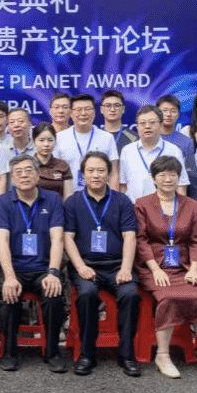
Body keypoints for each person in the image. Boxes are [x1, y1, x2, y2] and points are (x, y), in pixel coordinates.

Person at [134, 156, 197, 378]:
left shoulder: (190, 204)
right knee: (169, 297)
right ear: (154, 178)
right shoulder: (142, 204)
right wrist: (155, 269)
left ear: (179, 177)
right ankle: (162, 355)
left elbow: (196, 240)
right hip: (153, 267)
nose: (168, 179)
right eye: (162, 174)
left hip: (183, 268)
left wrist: (194, 268)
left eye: (172, 174)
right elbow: (141, 240)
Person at [62, 151, 140, 377]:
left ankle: (127, 355)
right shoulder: (73, 202)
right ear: (82, 175)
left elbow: (130, 237)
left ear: (109, 173)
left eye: (100, 170)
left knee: (130, 294)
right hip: (86, 265)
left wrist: (126, 268)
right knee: (86, 294)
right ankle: (87, 354)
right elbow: (67, 238)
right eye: (90, 171)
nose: (95, 175)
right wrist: (80, 267)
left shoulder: (122, 201)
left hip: (117, 265)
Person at [0, 154, 67, 372]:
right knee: (9, 296)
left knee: (54, 295)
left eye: (28, 170)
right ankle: (10, 352)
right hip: (13, 268)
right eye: (18, 172)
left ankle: (53, 352)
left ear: (38, 174)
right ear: (12, 177)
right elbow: (2, 241)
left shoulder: (53, 199)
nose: (24, 175)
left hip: (43, 268)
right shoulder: (2, 202)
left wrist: (53, 272)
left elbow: (57, 238)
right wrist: (9, 277)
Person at [118, 105, 190, 202]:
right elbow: (123, 185)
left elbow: (181, 185)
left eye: (152, 122)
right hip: (133, 206)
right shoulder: (127, 150)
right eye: (143, 123)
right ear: (137, 127)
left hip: (165, 207)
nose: (147, 126)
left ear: (160, 125)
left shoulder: (173, 150)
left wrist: (180, 208)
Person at [54, 94, 120, 191]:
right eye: (78, 110)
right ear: (71, 113)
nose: (83, 113)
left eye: (88, 109)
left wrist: (113, 197)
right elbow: (55, 172)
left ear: (94, 113)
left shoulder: (107, 138)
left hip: (100, 196)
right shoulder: (59, 138)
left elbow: (113, 173)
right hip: (69, 195)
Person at [32, 123, 74, 198]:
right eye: (41, 140)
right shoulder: (29, 165)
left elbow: (68, 196)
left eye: (50, 140)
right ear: (34, 142)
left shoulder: (63, 165)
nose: (46, 144)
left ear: (55, 142)